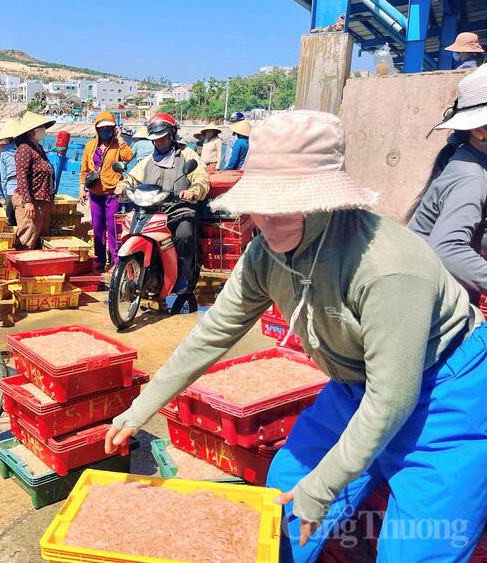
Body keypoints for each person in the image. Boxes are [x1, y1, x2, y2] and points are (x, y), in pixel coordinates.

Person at [106, 110, 487, 562]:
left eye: (292, 200)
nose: (270, 217)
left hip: (446, 393)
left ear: (328, 198)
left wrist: (324, 487)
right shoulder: (263, 253)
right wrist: (140, 409)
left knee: (419, 548)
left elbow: (392, 400)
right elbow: (212, 334)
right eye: (262, 201)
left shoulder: (389, 267)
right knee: (285, 496)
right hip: (353, 387)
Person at [409, 64, 487, 303]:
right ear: (480, 129)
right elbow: (447, 249)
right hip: (427, 301)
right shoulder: (471, 178)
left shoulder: (468, 159)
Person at [114, 113, 209, 300]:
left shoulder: (187, 155)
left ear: (172, 134)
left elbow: (201, 179)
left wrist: (194, 191)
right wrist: (123, 186)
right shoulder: (149, 160)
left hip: (178, 210)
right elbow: (132, 177)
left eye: (163, 137)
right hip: (151, 211)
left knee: (184, 235)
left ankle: (184, 279)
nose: (159, 142)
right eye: (156, 139)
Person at [79, 111, 133, 271]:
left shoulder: (117, 145)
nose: (105, 131)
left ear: (114, 128)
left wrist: (120, 138)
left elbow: (128, 156)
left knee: (114, 228)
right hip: (95, 193)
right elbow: (84, 169)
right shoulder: (90, 146)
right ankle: (100, 261)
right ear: (96, 129)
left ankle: (116, 262)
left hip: (112, 193)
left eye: (109, 128)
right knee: (98, 228)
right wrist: (81, 188)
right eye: (102, 128)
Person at [13, 111, 56, 250]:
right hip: (30, 200)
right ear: (32, 131)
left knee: (39, 237)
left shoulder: (38, 148)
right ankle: (21, 265)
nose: (43, 130)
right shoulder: (24, 149)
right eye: (41, 127)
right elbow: (22, 176)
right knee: (28, 234)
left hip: (42, 199)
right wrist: (27, 202)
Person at [0, 120, 20, 226]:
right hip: (26, 191)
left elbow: (4, 178)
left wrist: (6, 197)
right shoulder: (27, 148)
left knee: (10, 224)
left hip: (11, 190)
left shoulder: (5, 153)